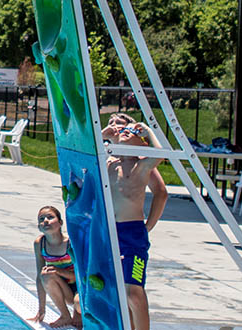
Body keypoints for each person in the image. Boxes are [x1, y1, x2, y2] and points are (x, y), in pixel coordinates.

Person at [99, 117, 164, 330]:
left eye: (130, 131)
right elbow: (87, 155)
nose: (123, 131)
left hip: (132, 234)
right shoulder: (107, 162)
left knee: (133, 292)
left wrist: (147, 131)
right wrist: (103, 135)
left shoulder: (143, 164)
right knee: (116, 292)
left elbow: (160, 153)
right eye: (120, 130)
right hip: (109, 232)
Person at [107, 113, 168, 233]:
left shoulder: (139, 163)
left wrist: (148, 226)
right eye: (110, 123)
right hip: (106, 225)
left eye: (119, 123)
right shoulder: (105, 158)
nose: (113, 126)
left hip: (130, 226)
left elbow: (161, 192)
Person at [29, 206, 81, 328]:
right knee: (45, 275)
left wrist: (59, 271)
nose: (45, 221)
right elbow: (39, 278)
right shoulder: (40, 244)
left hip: (80, 290)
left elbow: (81, 276)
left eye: (50, 217)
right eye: (41, 219)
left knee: (78, 304)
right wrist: (41, 309)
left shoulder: (71, 243)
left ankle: (79, 311)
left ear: (61, 222)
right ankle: (65, 315)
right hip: (65, 290)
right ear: (39, 227)